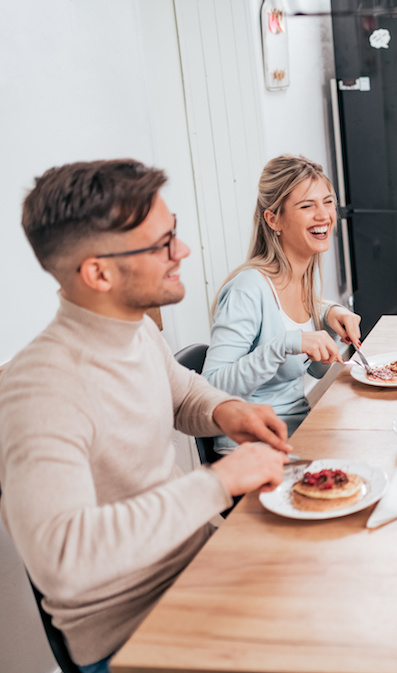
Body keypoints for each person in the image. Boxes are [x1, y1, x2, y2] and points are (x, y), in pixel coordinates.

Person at [0, 159, 294, 673]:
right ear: (99, 272)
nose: (181, 251)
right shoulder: (39, 389)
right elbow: (64, 560)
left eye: (173, 232)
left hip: (199, 568)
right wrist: (218, 481)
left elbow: (181, 394)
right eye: (161, 244)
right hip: (132, 630)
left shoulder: (132, 328)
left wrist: (228, 411)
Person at [203, 155, 361, 454]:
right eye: (306, 206)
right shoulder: (247, 289)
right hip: (254, 448)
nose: (324, 215)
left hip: (298, 431)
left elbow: (314, 371)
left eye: (327, 202)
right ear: (273, 219)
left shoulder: (302, 279)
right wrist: (285, 344)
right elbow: (210, 389)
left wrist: (331, 319)